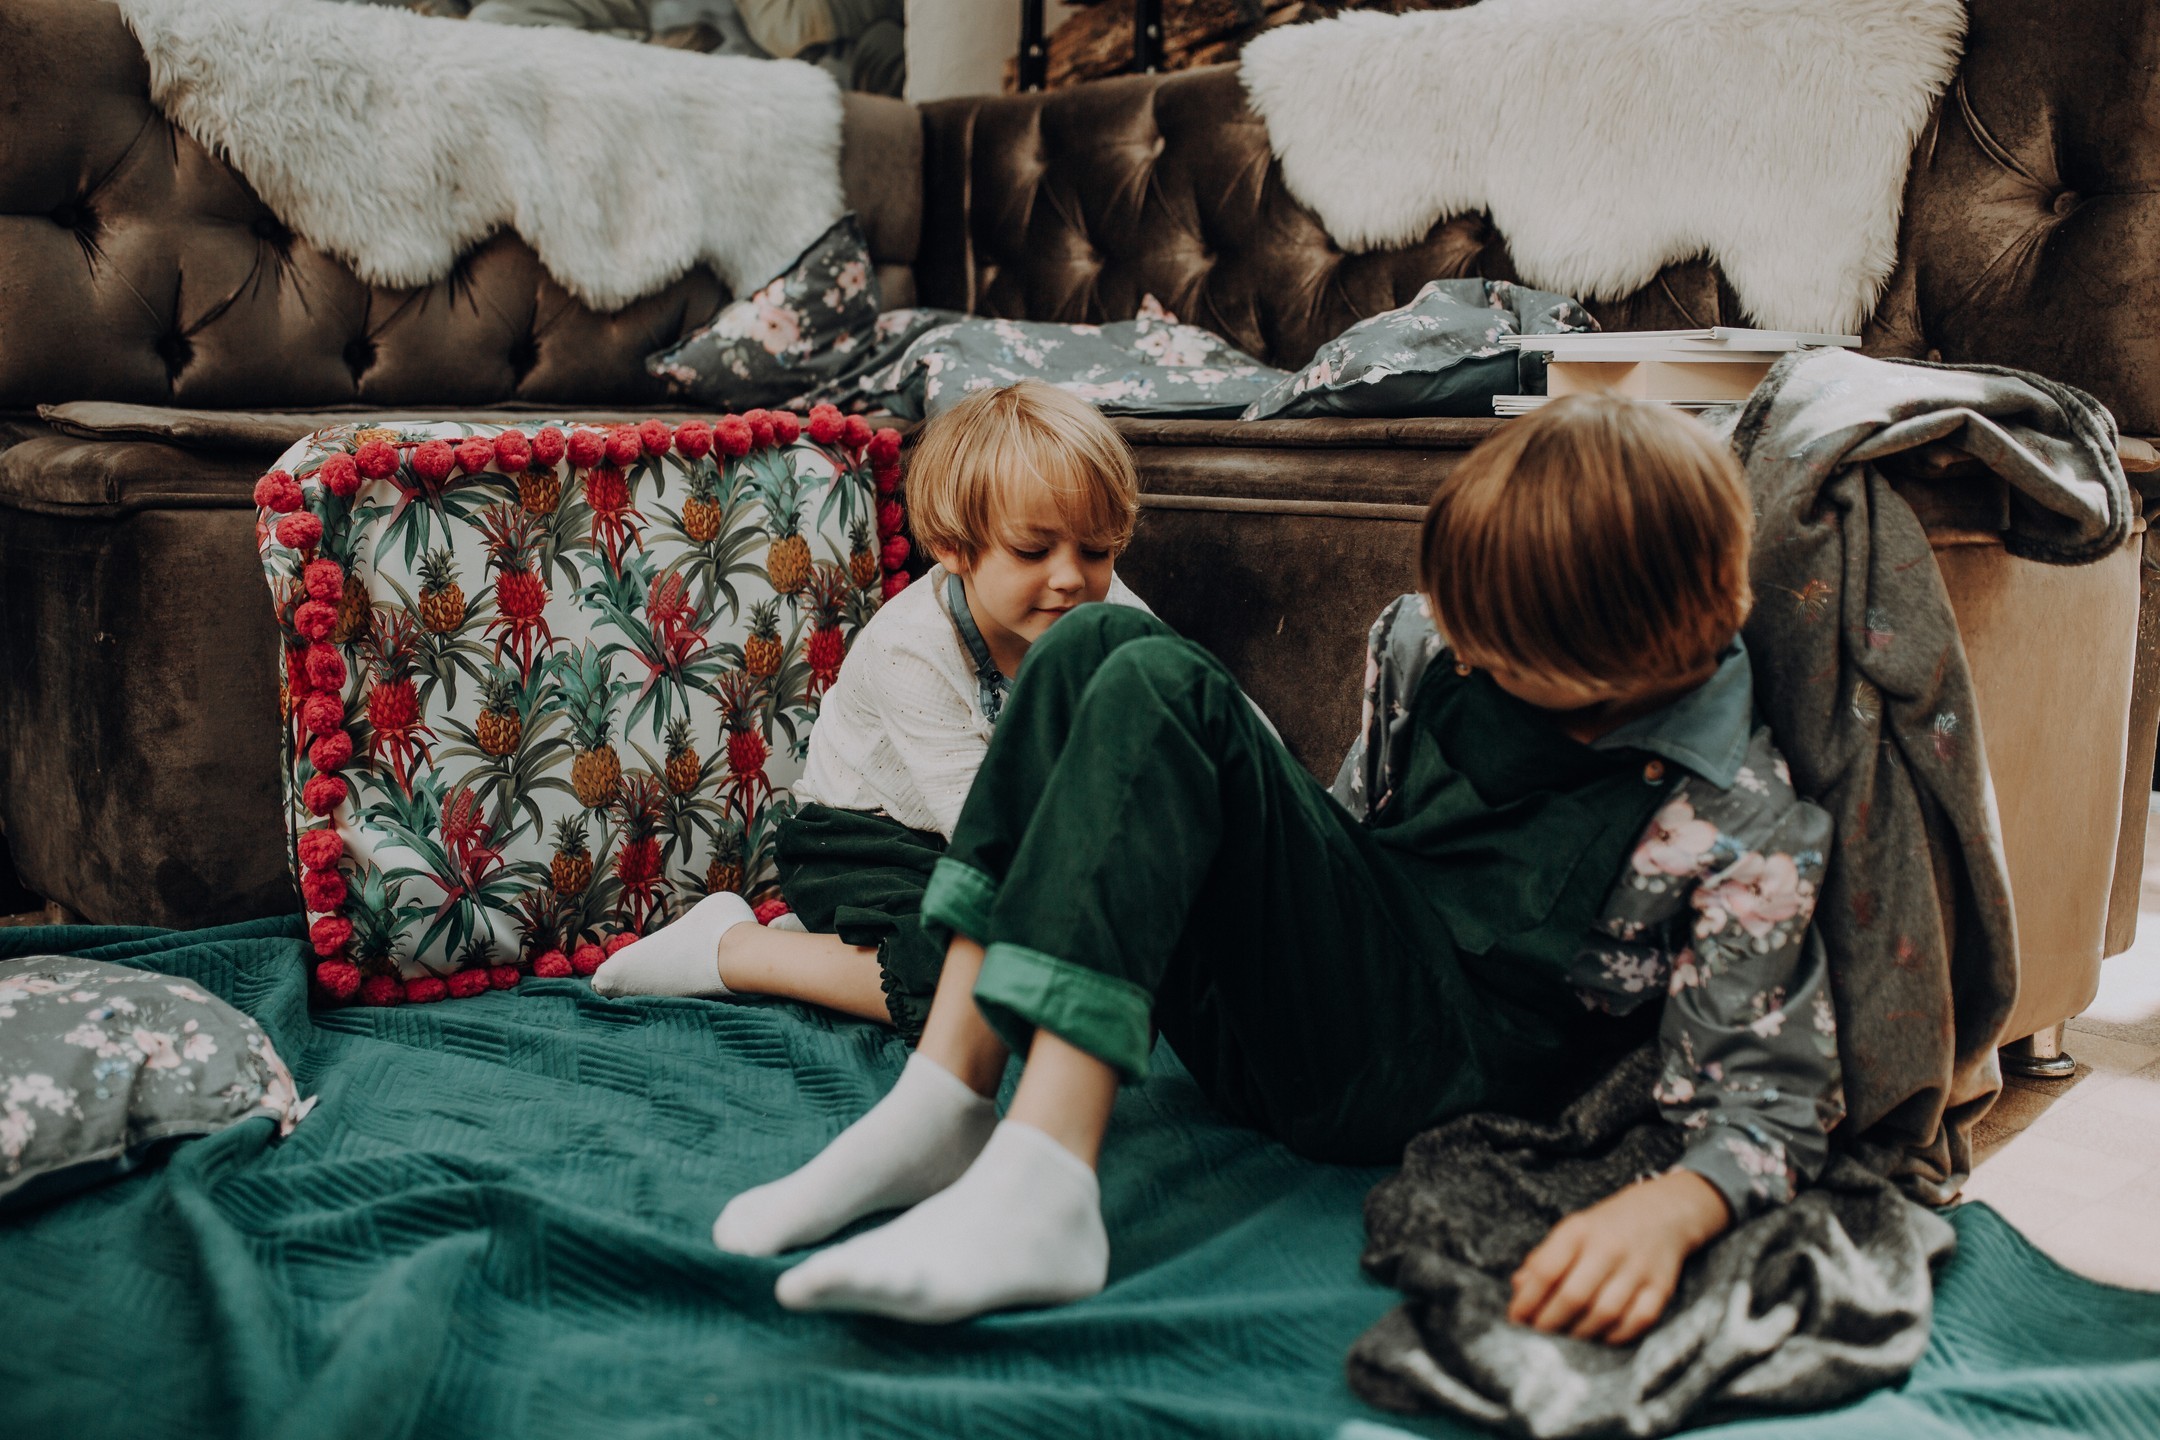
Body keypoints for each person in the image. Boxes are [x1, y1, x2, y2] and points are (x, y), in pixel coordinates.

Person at [709, 393, 1842, 1342]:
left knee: (1158, 676)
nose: (1460, 646)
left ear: (1624, 664)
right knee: (1095, 640)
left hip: (1432, 1069)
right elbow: (1336, 844)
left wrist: (1674, 1209)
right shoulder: (1428, 639)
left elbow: (1772, 1105)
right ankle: (947, 1103)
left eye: (1501, 654)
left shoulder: (1738, 815)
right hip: (1300, 1014)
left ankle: (1042, 1190)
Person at [592, 382, 1152, 1036]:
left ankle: (846, 946)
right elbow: (986, 830)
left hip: (1002, 836)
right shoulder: (911, 647)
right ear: (955, 548)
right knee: (988, 979)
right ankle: (736, 950)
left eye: (1097, 550)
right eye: (1033, 551)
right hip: (865, 841)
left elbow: (1191, 707)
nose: (1072, 577)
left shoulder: (1099, 601)